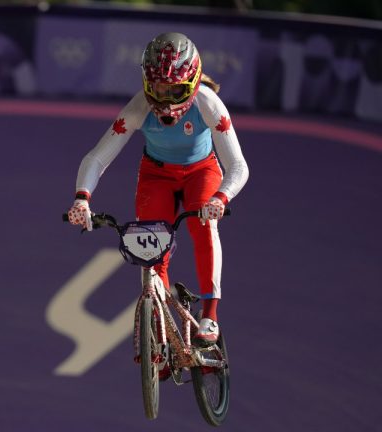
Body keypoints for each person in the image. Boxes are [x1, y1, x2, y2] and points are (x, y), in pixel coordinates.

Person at [67, 32, 249, 348]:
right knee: (151, 249)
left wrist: (221, 197)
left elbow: (238, 166)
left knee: (203, 226)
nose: (164, 100)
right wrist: (82, 198)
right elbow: (98, 157)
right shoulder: (139, 106)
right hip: (157, 175)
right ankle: (163, 324)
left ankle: (210, 315)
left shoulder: (208, 103)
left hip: (200, 172)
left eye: (174, 90)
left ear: (192, 84)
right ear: (147, 84)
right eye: (158, 89)